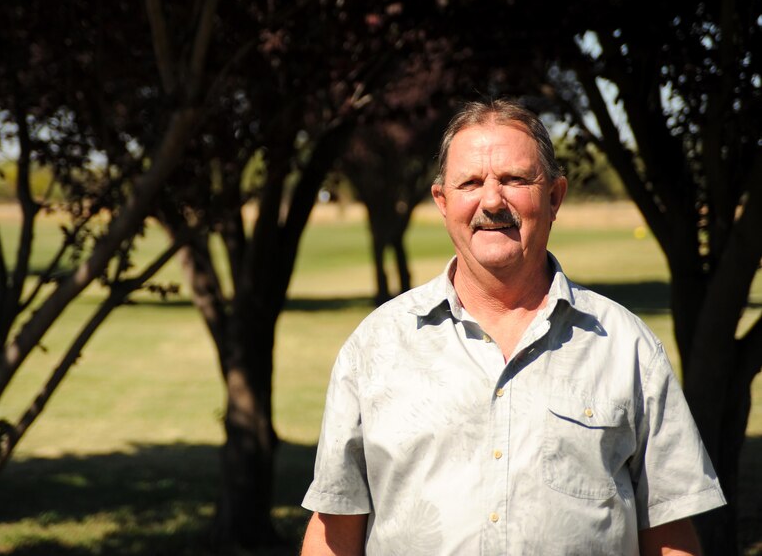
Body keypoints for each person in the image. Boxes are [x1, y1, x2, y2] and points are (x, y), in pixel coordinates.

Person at [300, 99, 726, 555]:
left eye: (514, 180)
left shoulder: (626, 347)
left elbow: (669, 536)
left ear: (555, 197)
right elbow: (334, 531)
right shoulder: (376, 347)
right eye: (469, 183)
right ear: (442, 202)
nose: (491, 200)